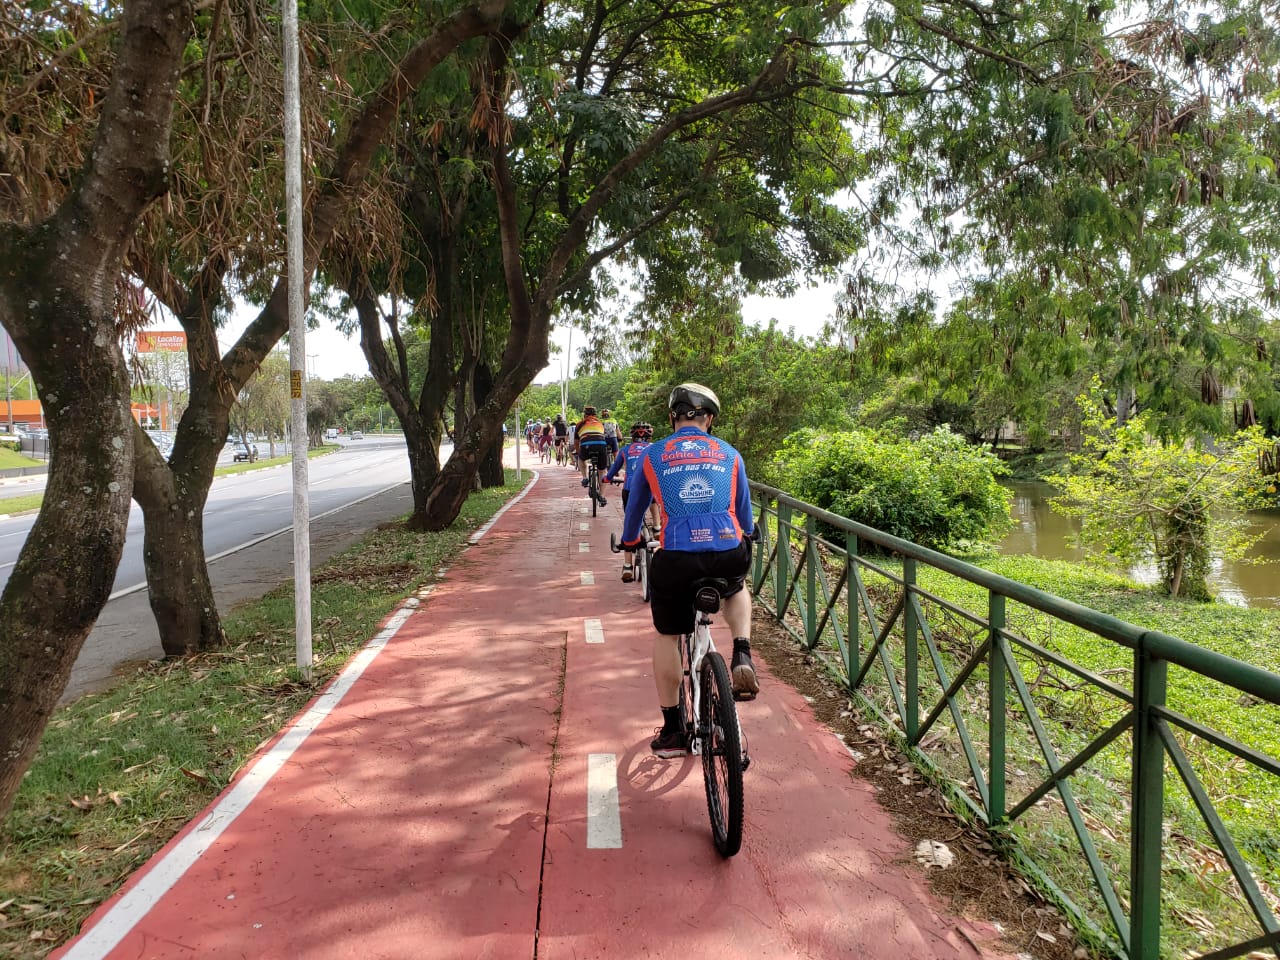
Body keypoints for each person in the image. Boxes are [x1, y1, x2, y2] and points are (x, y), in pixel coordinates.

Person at [620, 383, 759, 759]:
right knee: (736, 586)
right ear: (709, 419)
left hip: (677, 558)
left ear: (672, 418)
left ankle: (672, 731)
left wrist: (630, 542)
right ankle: (742, 652)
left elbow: (635, 509)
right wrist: (747, 532)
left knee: (667, 635)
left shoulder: (653, 455)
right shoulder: (730, 454)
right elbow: (744, 515)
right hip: (727, 553)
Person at [604, 422, 656, 581]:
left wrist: (607, 478)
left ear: (632, 436)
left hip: (630, 489)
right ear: (649, 436)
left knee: (631, 522)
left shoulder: (625, 450)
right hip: (652, 487)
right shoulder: (655, 449)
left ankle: (627, 565)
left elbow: (614, 469)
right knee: (653, 495)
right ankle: (658, 527)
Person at [574, 405, 609, 503]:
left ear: (584, 415)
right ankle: (602, 496)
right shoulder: (600, 423)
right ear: (595, 415)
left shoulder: (580, 424)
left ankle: (585, 478)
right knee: (602, 471)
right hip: (601, 446)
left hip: (586, 446)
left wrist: (578, 452)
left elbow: (576, 442)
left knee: (581, 459)